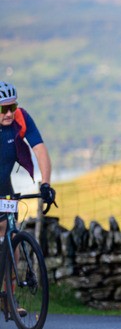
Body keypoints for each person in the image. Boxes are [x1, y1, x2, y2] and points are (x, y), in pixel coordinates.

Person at [0, 81, 56, 237]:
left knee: (12, 230)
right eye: (3, 109)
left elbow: (40, 150)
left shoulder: (21, 118)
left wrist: (46, 184)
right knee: (1, 226)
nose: (9, 114)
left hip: (4, 185)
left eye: (12, 107)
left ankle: (13, 262)